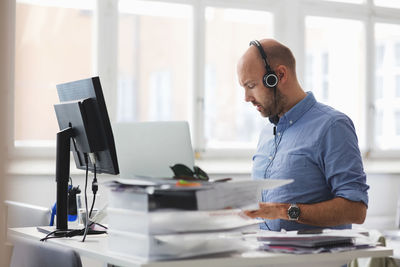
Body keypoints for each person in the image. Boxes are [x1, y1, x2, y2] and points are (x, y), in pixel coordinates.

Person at [239, 39, 369, 231]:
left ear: (279, 75)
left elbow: (356, 210)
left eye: (251, 85)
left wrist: (286, 211)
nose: (246, 98)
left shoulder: (332, 126)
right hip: (268, 257)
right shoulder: (266, 133)